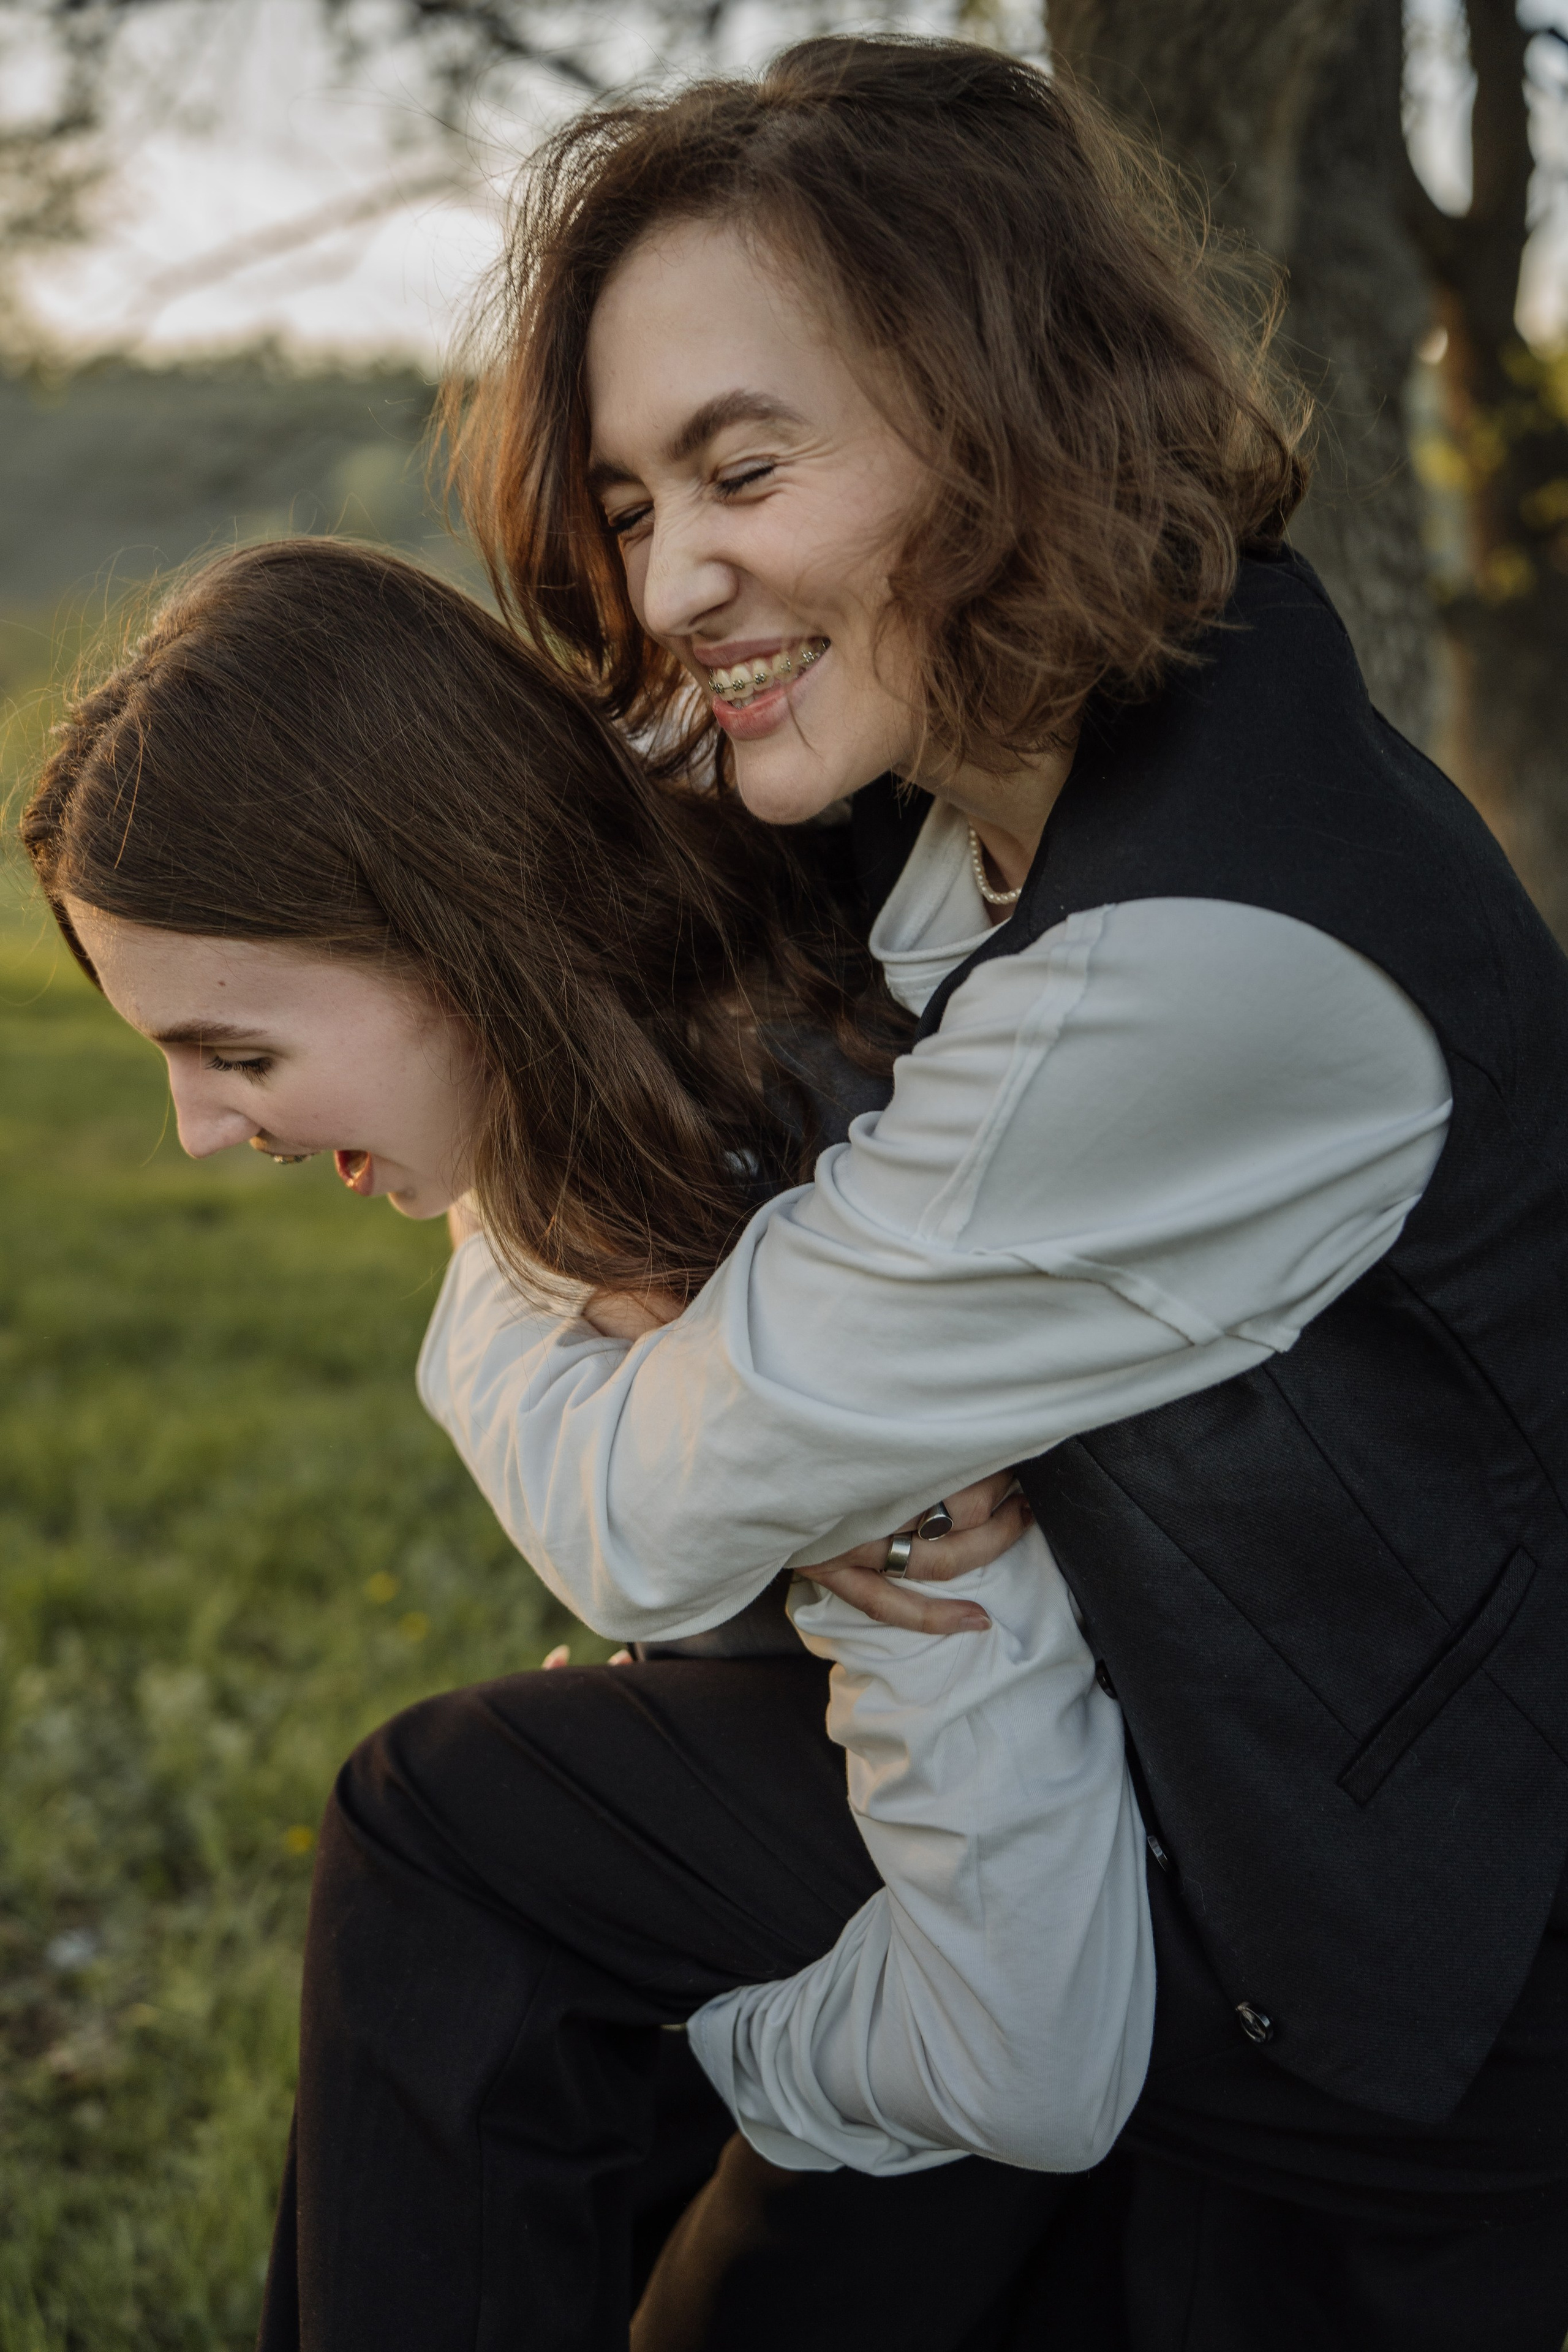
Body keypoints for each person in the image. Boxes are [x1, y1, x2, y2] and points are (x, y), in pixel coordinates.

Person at [423, 32, 1568, 2351]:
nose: (672, 581)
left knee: (451, 1838)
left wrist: (490, 1201)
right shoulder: (1007, 783)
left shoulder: (1211, 944)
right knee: (501, 1863)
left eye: (744, 469)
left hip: (1385, 2015)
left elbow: (654, 1509)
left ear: (1007, 419)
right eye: (637, 507)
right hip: (1140, 1809)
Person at [23, 534, 1160, 2352]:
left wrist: (709, 2026)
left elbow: (1029, 2020)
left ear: (441, 921)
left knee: (444, 1835)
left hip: (1032, 1959)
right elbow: (584, 1448)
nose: (195, 1129)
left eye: (235, 1051)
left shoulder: (804, 1205)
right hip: (923, 1928)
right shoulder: (623, 1131)